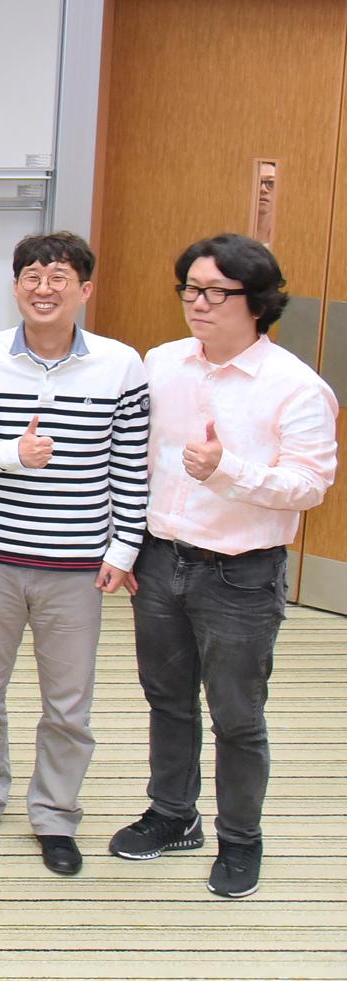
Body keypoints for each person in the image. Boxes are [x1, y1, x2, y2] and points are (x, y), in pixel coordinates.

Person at [104, 234, 336, 899]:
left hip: (241, 573)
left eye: (214, 292)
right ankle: (174, 815)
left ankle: (241, 838)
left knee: (236, 715)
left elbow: (310, 484)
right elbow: (137, 463)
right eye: (189, 289)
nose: (196, 303)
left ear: (256, 301)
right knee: (166, 698)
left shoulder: (294, 387)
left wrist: (226, 470)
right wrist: (124, 548)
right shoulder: (164, 363)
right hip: (161, 557)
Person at [0, 232, 149, 877]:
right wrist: (11, 455)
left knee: (69, 703)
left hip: (78, 564)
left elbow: (130, 467)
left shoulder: (122, 365)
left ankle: (55, 815)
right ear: (15, 288)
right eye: (31, 276)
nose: (44, 288)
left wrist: (124, 549)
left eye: (59, 277)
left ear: (85, 290)